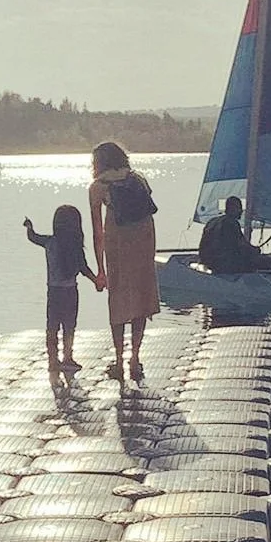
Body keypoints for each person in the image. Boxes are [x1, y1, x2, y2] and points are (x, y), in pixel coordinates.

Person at [88, 141, 159, 383]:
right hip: (143, 244)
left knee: (118, 300)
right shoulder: (138, 179)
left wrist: (100, 269)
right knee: (141, 299)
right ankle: (135, 358)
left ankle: (119, 361)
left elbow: (97, 232)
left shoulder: (98, 187)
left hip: (117, 245)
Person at [24, 205, 101, 379]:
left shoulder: (49, 242)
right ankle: (68, 357)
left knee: (52, 326)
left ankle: (53, 360)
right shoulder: (75, 246)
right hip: (70, 291)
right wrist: (96, 280)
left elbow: (33, 237)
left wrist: (29, 226)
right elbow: (83, 268)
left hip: (53, 291)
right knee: (69, 326)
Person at [198, 195, 262, 273]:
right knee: (261, 262)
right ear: (233, 209)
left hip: (209, 263)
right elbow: (241, 245)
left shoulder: (212, 222)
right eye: (239, 208)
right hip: (225, 265)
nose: (241, 211)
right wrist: (255, 251)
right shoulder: (231, 223)